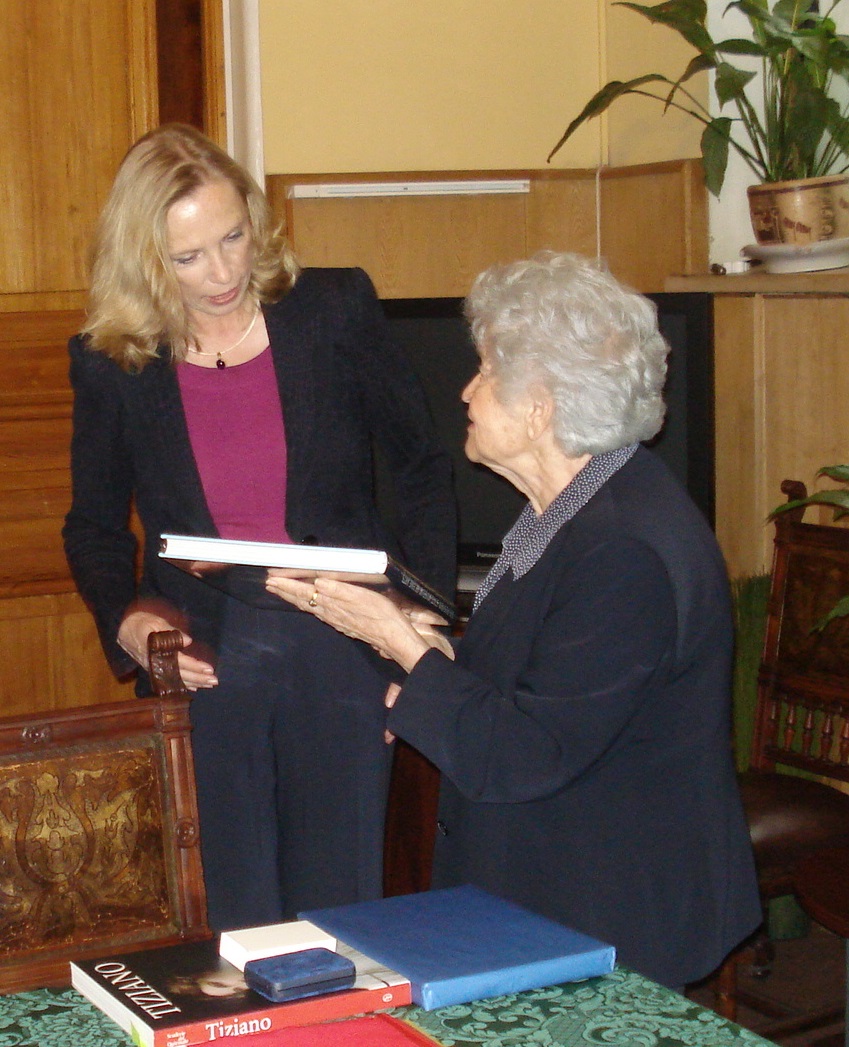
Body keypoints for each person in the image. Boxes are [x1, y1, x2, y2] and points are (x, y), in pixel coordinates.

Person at [265, 251, 762, 989]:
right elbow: (546, 683)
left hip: (612, 910)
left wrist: (399, 642)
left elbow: (526, 753)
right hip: (562, 887)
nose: (466, 390)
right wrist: (436, 667)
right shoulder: (576, 510)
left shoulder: (622, 547)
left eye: (487, 371)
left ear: (542, 408)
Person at [62, 123, 457, 931]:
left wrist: (414, 630)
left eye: (233, 237)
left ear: (253, 218)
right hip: (211, 656)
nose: (222, 272)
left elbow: (421, 466)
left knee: (341, 910)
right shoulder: (114, 359)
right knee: (233, 916)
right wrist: (129, 619)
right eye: (189, 256)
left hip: (339, 638)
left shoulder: (334, 309)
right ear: (145, 260)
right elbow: (95, 525)